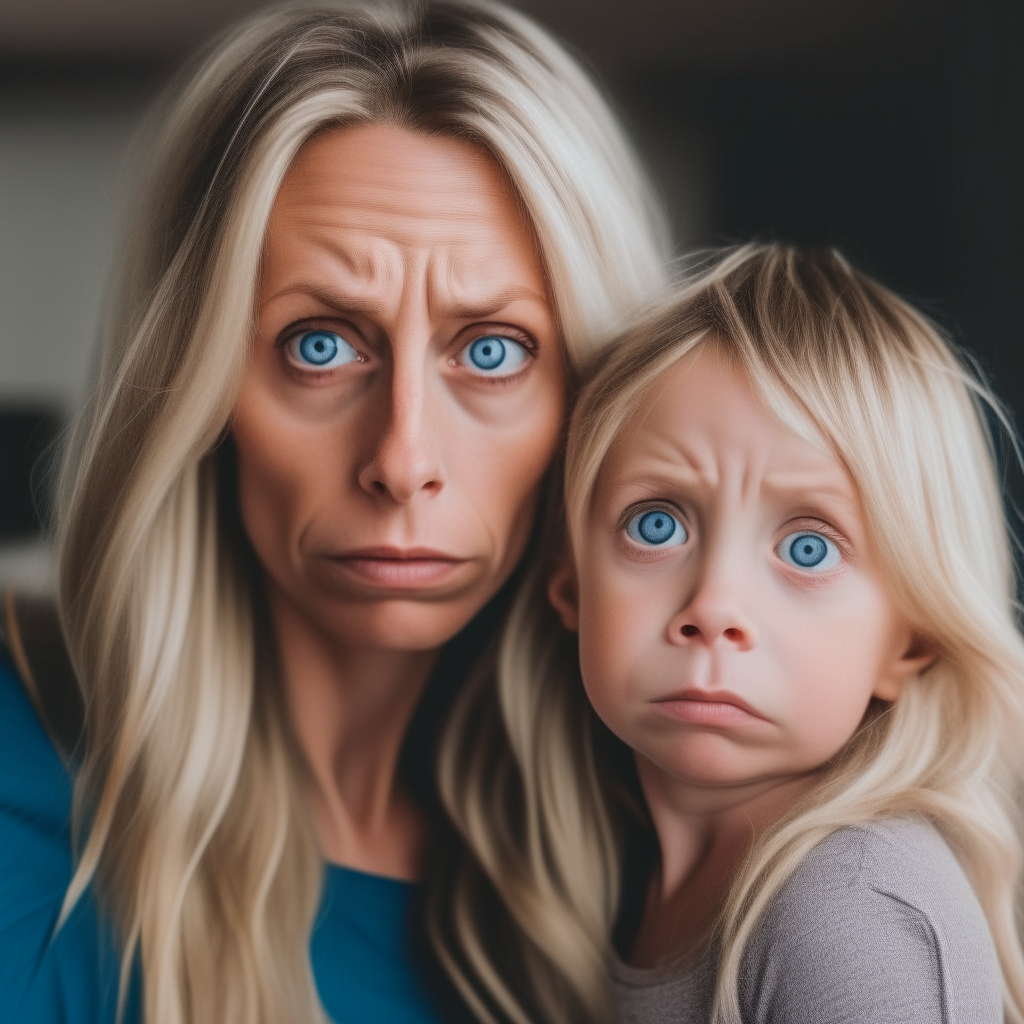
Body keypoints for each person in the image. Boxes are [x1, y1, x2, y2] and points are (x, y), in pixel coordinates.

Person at [0, 3, 671, 1023]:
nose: (402, 461)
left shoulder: (685, 849)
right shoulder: (21, 792)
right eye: (322, 344)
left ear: (594, 399)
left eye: (491, 350)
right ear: (198, 387)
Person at [462, 244, 1024, 1022]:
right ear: (571, 584)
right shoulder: (616, 878)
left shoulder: (853, 912)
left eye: (807, 548)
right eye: (656, 525)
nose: (714, 605)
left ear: (911, 640)